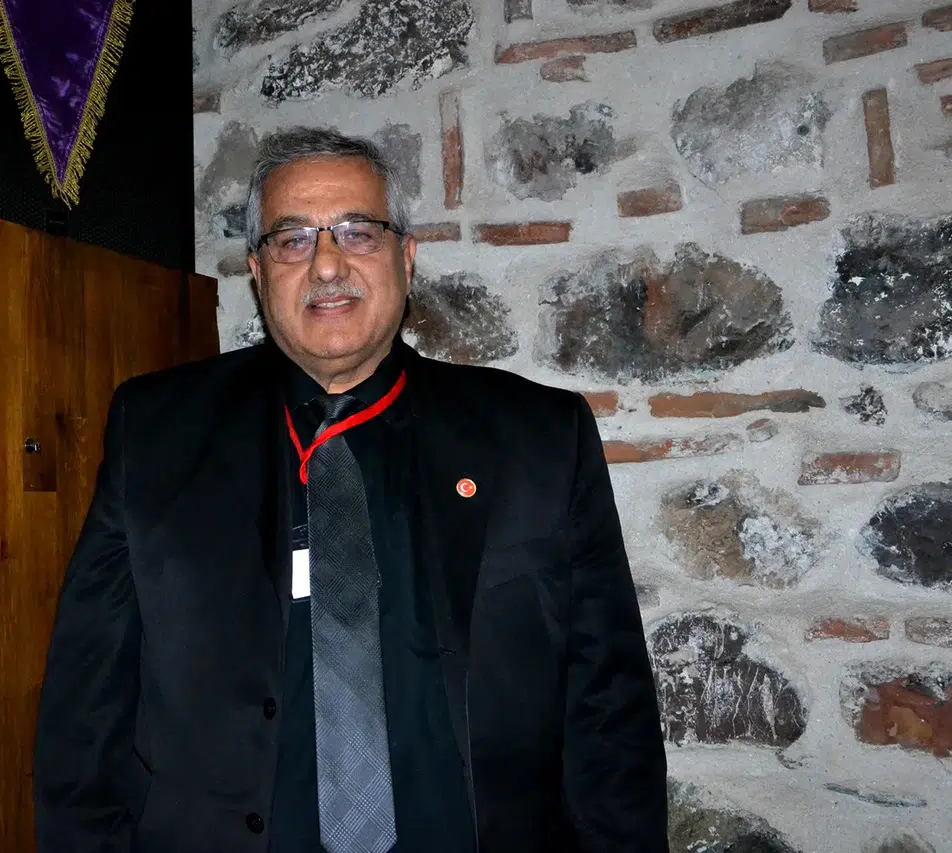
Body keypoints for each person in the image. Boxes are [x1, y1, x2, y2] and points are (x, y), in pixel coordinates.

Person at [33, 126, 668, 852]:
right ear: (258, 271)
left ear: (406, 257)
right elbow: (86, 712)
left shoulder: (539, 437)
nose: (327, 264)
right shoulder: (155, 433)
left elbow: (610, 708)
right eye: (293, 239)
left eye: (358, 232)